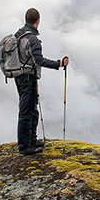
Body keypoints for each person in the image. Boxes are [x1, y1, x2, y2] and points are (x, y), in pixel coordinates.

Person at [15, 8, 69, 155]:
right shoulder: (32, 39)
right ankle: (25, 147)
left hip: (20, 76)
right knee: (27, 110)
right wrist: (59, 64)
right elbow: (39, 60)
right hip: (28, 78)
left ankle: (31, 141)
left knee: (30, 108)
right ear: (38, 21)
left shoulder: (19, 35)